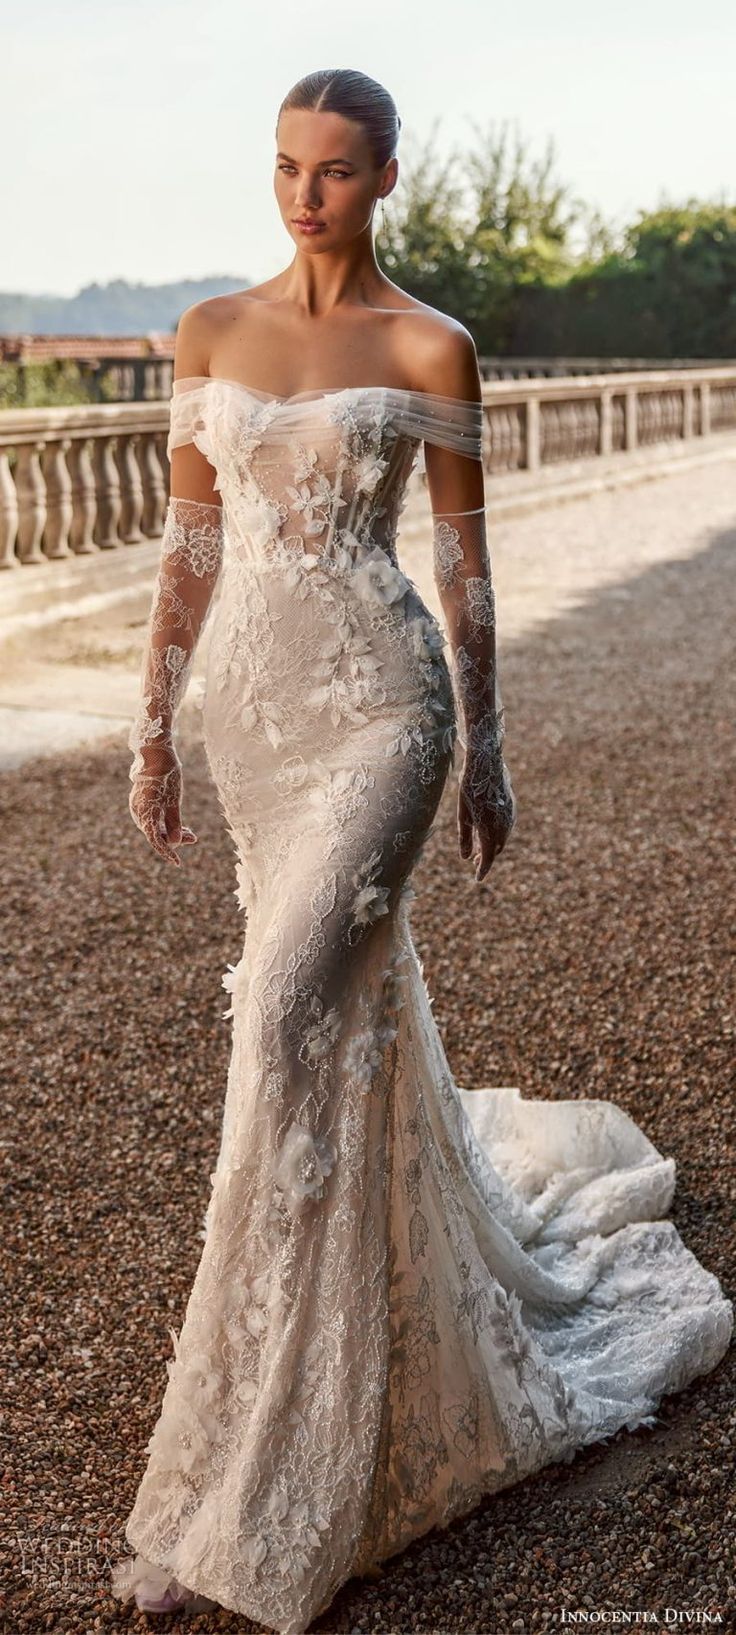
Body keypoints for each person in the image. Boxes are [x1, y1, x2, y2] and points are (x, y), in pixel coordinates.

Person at [110, 68, 733, 1635]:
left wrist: (491, 749)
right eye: (284, 166)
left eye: (332, 169)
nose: (301, 191)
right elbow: (188, 547)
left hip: (386, 717)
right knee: (313, 1034)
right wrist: (148, 725)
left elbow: (467, 571)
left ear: (387, 177)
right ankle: (314, 1357)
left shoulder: (427, 345)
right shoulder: (207, 333)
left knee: (279, 1013)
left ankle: (280, 1459)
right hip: (256, 724)